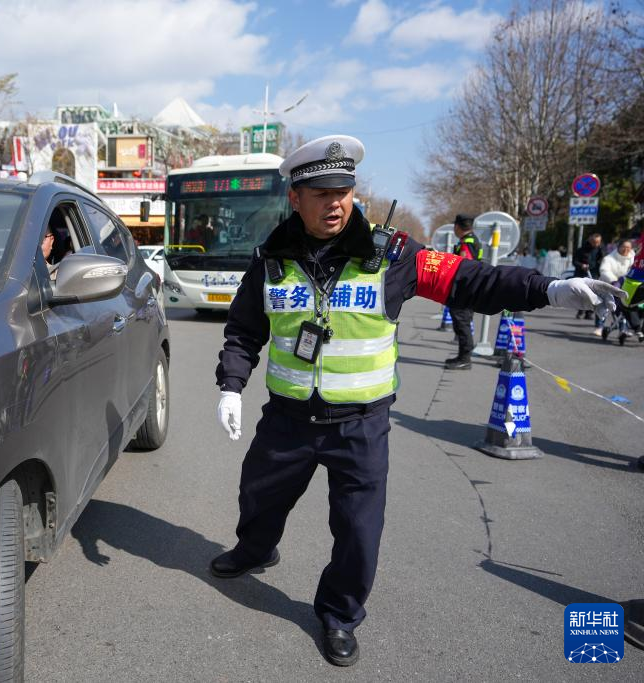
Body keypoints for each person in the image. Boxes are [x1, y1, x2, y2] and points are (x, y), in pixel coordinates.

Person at [211, 134, 625, 668]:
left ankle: (338, 614)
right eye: (321, 192)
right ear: (296, 198)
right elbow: (245, 329)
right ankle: (255, 549)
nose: (335, 201)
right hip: (287, 418)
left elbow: (470, 281)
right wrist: (231, 383)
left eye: (344, 189)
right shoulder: (271, 258)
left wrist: (547, 290)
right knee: (257, 497)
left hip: (360, 425)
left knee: (360, 533)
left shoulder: (394, 255)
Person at [444, 213, 482, 369]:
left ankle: (465, 359)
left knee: (462, 322)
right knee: (463, 322)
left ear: (457, 227)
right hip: (471, 287)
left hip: (464, 289)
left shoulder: (466, 244)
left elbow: (464, 267)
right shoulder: (473, 241)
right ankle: (463, 356)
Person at [596, 240, 635, 338]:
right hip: (611, 285)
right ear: (618, 247)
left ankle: (625, 327)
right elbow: (604, 271)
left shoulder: (633, 258)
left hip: (629, 287)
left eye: (628, 248)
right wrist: (614, 281)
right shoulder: (609, 258)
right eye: (624, 247)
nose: (626, 249)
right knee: (603, 306)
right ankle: (600, 326)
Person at [573, 233, 604, 319]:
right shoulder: (581, 250)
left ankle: (589, 313)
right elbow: (574, 261)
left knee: (593, 294)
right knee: (583, 294)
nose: (596, 244)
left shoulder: (600, 250)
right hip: (581, 274)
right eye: (594, 242)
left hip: (594, 274)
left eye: (598, 242)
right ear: (590, 240)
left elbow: (602, 261)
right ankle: (580, 311)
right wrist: (581, 265)